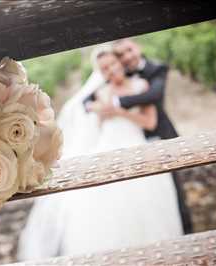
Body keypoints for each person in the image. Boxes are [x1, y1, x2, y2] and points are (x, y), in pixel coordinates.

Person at [18, 48, 183, 259]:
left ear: (120, 63)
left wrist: (119, 111)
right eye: (105, 68)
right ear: (100, 73)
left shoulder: (140, 85)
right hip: (108, 149)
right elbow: (90, 126)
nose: (111, 70)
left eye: (113, 64)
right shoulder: (100, 94)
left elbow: (150, 122)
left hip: (136, 146)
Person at [84, 39, 192, 235]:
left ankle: (187, 233)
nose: (127, 57)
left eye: (129, 50)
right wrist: (94, 106)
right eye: (121, 55)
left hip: (159, 137)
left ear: (137, 46)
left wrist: (117, 106)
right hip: (117, 145)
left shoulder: (156, 70)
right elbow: (86, 100)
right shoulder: (103, 90)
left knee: (172, 195)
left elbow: (153, 96)